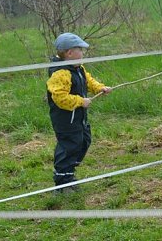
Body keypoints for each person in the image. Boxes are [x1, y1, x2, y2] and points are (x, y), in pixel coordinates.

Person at [46, 32, 112, 188]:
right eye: (80, 50)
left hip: (78, 117)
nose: (83, 53)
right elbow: (60, 98)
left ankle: (69, 171)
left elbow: (88, 80)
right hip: (65, 120)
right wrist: (80, 101)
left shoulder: (78, 68)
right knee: (69, 145)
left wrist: (100, 88)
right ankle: (62, 181)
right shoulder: (61, 73)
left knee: (84, 140)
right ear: (69, 53)